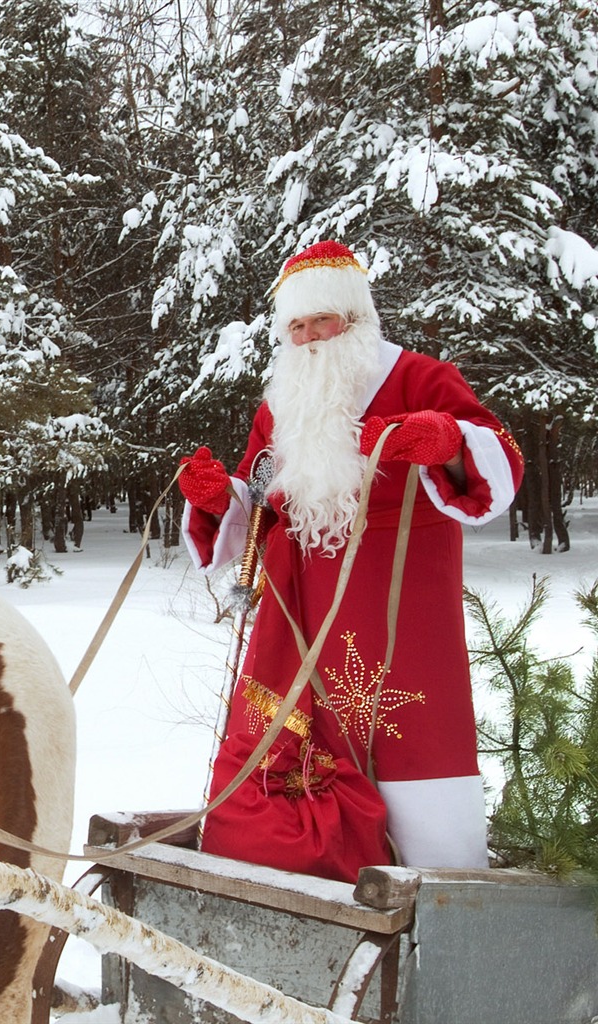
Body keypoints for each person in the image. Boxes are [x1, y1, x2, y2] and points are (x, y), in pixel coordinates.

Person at [178, 240, 524, 883]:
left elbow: (500, 470)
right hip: (300, 617)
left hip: (401, 610)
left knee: (414, 745)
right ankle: (299, 889)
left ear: (356, 320)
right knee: (290, 750)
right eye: (297, 325)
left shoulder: (421, 378)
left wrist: (449, 443)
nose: (310, 337)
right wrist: (215, 499)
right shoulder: (280, 406)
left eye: (323, 320)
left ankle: (439, 894)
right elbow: (261, 505)